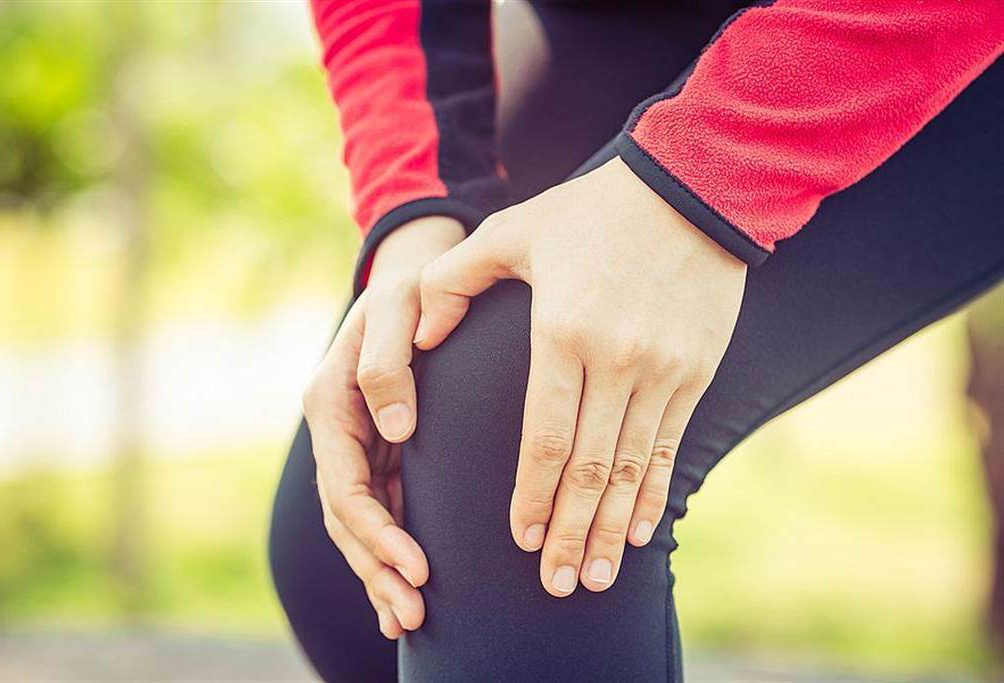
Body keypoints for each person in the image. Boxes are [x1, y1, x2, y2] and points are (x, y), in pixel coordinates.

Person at [269, 1, 1004, 680]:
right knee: (352, 555)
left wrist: (707, 177)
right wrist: (414, 216)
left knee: (513, 423)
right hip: (614, 25)